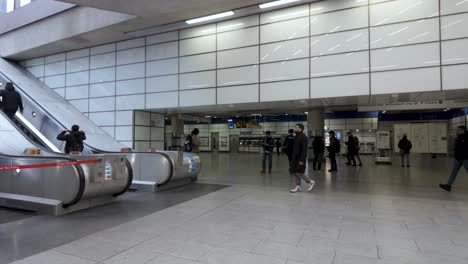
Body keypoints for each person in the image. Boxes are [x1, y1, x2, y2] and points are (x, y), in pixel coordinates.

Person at [440, 126, 468, 192]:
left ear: (462, 130)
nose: (457, 131)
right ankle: (448, 185)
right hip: (458, 158)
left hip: (466, 158)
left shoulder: (467, 137)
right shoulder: (458, 137)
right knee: (454, 172)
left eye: (458, 130)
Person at [290, 124, 315, 193]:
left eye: (296, 127)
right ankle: (298, 186)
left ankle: (310, 182)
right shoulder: (297, 136)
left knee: (299, 172)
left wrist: (301, 160)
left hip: (300, 158)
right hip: (295, 158)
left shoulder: (303, 137)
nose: (295, 128)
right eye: (295, 127)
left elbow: (304, 150)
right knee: (294, 172)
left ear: (301, 129)